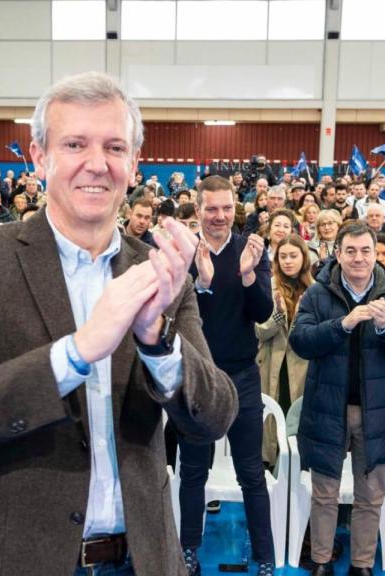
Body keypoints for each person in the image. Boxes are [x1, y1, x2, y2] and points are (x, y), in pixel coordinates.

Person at [0, 72, 236, 575]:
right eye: (75, 144)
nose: (96, 164)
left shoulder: (161, 272)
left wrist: (157, 342)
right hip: (11, 558)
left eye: (114, 147)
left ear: (133, 163)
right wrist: (75, 353)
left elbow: (213, 417)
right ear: (40, 157)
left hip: (137, 559)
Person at [288, 222, 385, 576]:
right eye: (351, 251)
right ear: (338, 253)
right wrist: (341, 325)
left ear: (376, 252)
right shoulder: (318, 293)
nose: (359, 258)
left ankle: (362, 564)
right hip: (327, 409)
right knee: (324, 492)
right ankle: (320, 560)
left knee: (371, 496)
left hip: (376, 412)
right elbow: (299, 340)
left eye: (366, 250)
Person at [173, 175, 275, 576]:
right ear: (197, 210)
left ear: (237, 208)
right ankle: (188, 551)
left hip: (242, 376)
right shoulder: (184, 251)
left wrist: (248, 275)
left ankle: (264, 556)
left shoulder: (249, 250)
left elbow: (263, 312)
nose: (220, 216)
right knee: (194, 471)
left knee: (252, 471)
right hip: (197, 376)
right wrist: (201, 284)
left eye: (227, 208)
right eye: (212, 209)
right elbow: (172, 313)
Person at [255, 234, 312, 467]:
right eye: (283, 256)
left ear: (304, 258)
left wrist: (299, 318)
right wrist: (278, 315)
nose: (288, 261)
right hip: (273, 364)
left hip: (303, 366)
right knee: (272, 422)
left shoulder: (315, 291)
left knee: (298, 422)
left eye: (293, 256)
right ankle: (271, 468)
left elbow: (316, 335)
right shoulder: (268, 287)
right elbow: (259, 331)